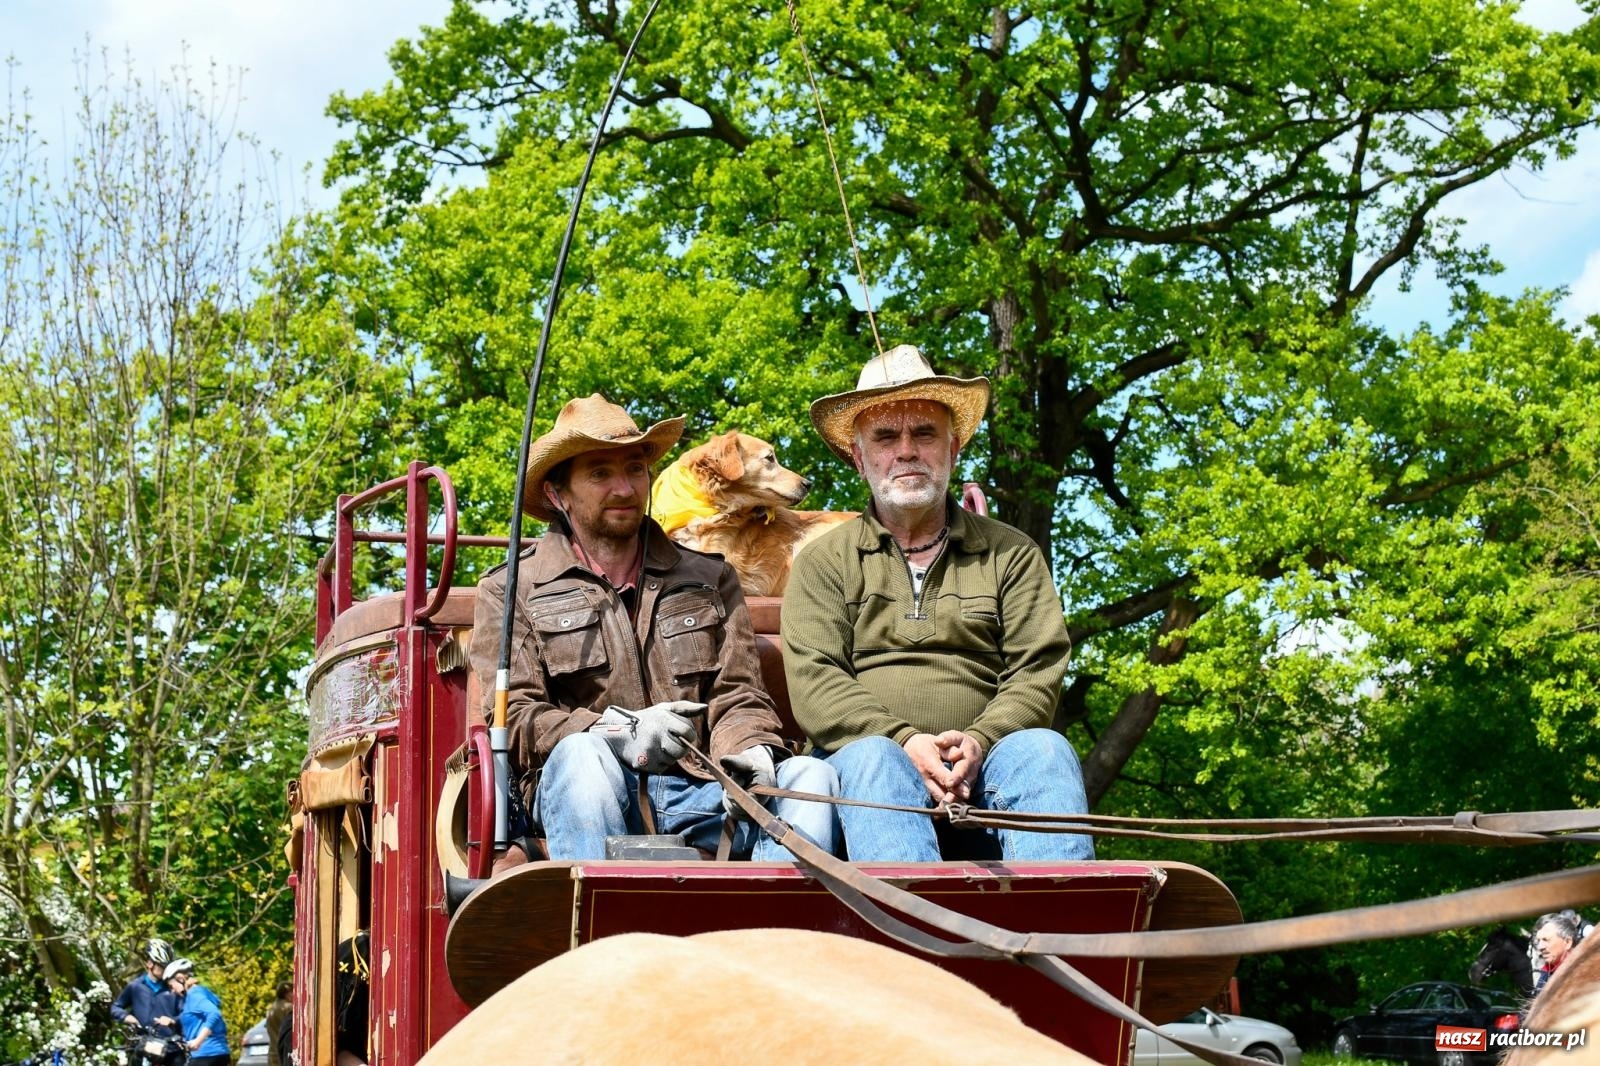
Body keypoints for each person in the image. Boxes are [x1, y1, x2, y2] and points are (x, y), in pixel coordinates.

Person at [470, 393, 839, 864]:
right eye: (600, 473)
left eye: (634, 469)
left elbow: (739, 694)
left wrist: (750, 752)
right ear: (556, 494)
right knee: (584, 757)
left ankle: (768, 929)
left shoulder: (710, 578)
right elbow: (516, 716)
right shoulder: (511, 590)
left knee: (810, 777)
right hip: (586, 794)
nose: (624, 488)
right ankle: (600, 927)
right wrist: (616, 731)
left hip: (702, 791)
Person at [783, 345, 1095, 861]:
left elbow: (1036, 671)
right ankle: (913, 938)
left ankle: (1061, 934)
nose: (906, 450)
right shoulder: (823, 562)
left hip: (993, 761)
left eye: (924, 433)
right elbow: (817, 683)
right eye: (885, 436)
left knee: (1046, 750)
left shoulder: (1011, 552)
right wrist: (905, 741)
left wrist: (980, 739)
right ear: (860, 459)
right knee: (874, 760)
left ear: (952, 451)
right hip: (867, 770)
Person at [110, 937, 181, 1059]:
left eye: (167, 966)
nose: (165, 970)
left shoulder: (173, 989)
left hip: (170, 1048)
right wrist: (126, 1016)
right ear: (149, 963)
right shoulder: (135, 986)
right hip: (143, 1044)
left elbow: (185, 1014)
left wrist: (172, 1021)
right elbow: (115, 1008)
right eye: (161, 966)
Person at [159, 958, 230, 1066]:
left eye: (171, 986)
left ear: (180, 978)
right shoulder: (195, 995)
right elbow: (195, 1017)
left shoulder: (194, 994)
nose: (172, 990)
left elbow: (214, 1013)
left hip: (207, 1055)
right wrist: (173, 1022)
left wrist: (198, 1041)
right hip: (214, 1054)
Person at [1533, 910, 1583, 993]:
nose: (1540, 947)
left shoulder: (1584, 973)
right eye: (1539, 941)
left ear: (1567, 942)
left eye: (1546, 940)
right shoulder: (1546, 972)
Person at [264, 981, 292, 1066]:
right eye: (293, 991)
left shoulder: (271, 1009)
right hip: (283, 1052)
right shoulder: (289, 1008)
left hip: (272, 1052)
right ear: (287, 993)